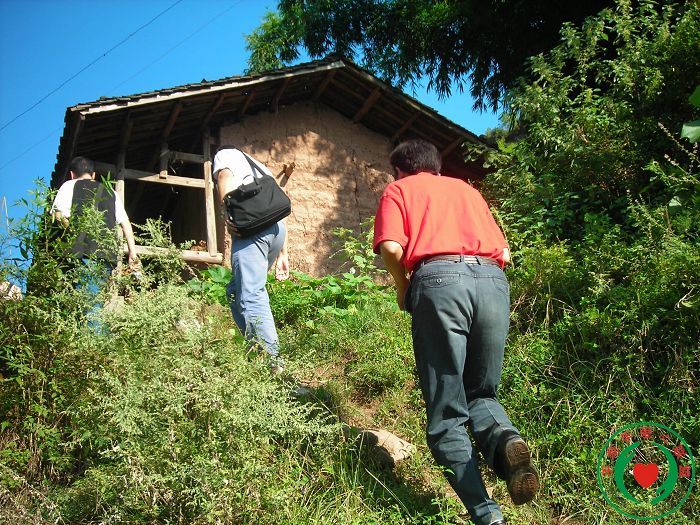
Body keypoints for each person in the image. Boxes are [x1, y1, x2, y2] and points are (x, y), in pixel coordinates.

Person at [373, 139, 538, 525]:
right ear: (436, 167)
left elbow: (392, 248)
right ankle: (506, 441)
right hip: (493, 281)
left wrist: (402, 287)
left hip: (440, 282)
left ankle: (487, 515)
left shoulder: (399, 189)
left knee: (446, 412)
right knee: (481, 393)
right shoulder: (467, 190)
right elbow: (506, 253)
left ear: (400, 169)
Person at [212, 147, 290, 372]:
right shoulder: (259, 167)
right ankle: (256, 350)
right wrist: (283, 253)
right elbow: (276, 209)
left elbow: (225, 176)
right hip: (277, 231)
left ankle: (273, 364)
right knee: (235, 291)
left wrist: (227, 214)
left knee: (252, 294)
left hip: (253, 231)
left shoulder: (224, 154)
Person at [51, 156, 138, 292]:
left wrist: (74, 233)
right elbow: (125, 224)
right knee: (96, 296)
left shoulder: (69, 185)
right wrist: (133, 253)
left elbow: (58, 215)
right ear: (94, 175)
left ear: (72, 174)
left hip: (83, 253)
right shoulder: (112, 192)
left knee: (85, 299)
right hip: (106, 255)